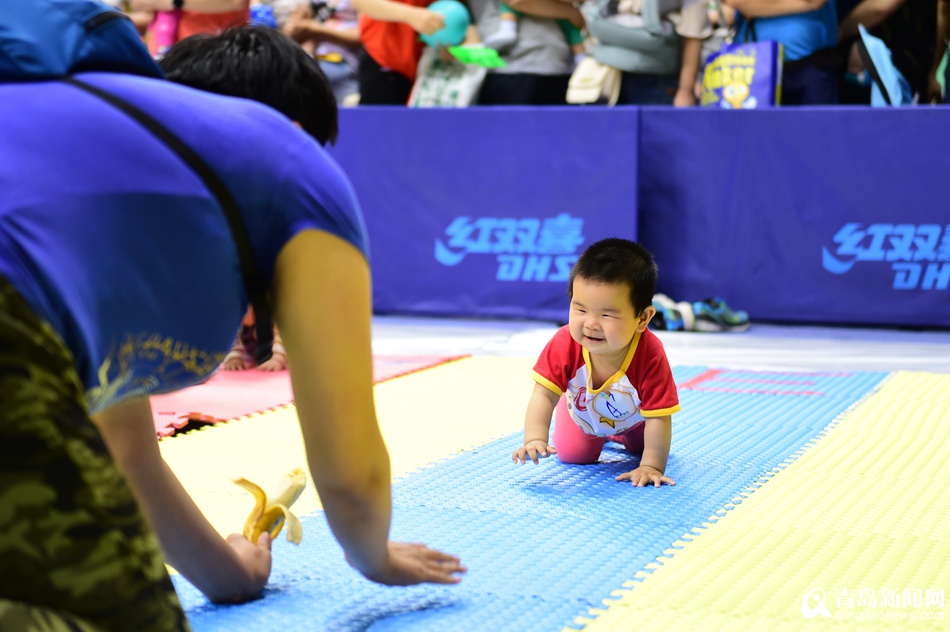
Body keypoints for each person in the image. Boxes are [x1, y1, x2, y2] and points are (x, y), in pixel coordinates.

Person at [0, 10, 464, 631]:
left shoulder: (82, 159)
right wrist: (371, 554)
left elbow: (126, 453)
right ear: (299, 130)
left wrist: (230, 574)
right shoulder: (287, 160)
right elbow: (350, 475)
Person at [511, 238, 681, 488]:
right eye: (580, 310)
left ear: (642, 318)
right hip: (582, 414)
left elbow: (659, 416)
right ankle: (594, 434)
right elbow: (544, 395)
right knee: (572, 455)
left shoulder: (650, 353)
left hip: (635, 419)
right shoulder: (564, 342)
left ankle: (620, 436)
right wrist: (535, 438)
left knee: (646, 447)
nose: (590, 323)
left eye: (606, 314)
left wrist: (651, 466)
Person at [723, 0, 840, 105]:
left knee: (816, 127)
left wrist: (753, 7)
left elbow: (816, 2)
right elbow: (738, 2)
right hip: (750, 67)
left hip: (810, 66)